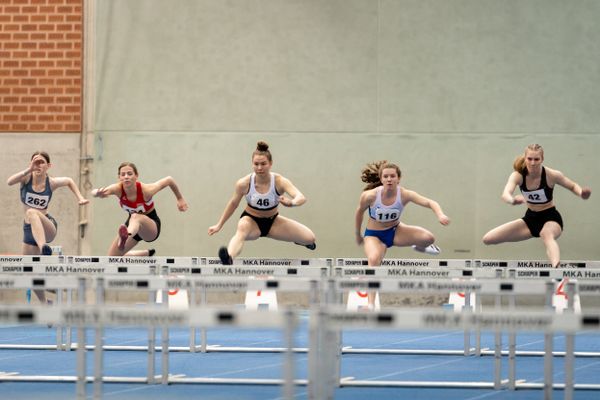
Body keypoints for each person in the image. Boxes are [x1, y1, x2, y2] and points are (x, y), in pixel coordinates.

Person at [355, 161, 450, 305]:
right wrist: (357, 234)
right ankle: (371, 304)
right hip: (374, 235)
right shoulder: (370, 196)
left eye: (392, 176)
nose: (389, 179)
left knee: (429, 238)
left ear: (398, 178)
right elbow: (359, 213)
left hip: (395, 231)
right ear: (381, 179)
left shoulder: (405, 194)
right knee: (374, 260)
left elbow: (430, 202)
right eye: (386, 176)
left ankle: (418, 247)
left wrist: (440, 215)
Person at [483, 144, 591, 267]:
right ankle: (556, 267)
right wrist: (512, 201)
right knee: (488, 239)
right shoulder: (518, 175)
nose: (533, 163)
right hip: (530, 220)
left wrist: (581, 193)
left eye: (536, 159)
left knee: (546, 234)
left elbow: (572, 186)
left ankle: (557, 269)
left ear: (542, 159)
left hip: (551, 217)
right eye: (529, 159)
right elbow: (506, 194)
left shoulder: (552, 175)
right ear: (525, 158)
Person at [208, 141, 316, 265]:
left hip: (273, 222)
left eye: (263, 164)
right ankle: (229, 257)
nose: (259, 168)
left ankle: (299, 240)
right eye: (256, 164)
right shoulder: (244, 183)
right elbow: (233, 204)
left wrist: (291, 203)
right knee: (241, 230)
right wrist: (219, 224)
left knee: (310, 238)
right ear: (252, 164)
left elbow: (301, 197)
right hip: (251, 221)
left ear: (270, 164)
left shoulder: (280, 181)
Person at [7, 151, 89, 303]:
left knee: (32, 212)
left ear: (48, 166)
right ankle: (46, 303)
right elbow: (9, 182)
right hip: (29, 230)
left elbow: (69, 180)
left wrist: (80, 197)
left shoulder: (51, 183)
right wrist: (28, 169)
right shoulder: (25, 178)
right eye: (35, 162)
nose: (38, 165)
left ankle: (43, 248)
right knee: (29, 273)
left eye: (41, 162)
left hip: (47, 227)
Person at [91, 162, 188, 256]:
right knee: (112, 258)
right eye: (123, 174)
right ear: (119, 178)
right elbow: (95, 192)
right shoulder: (117, 189)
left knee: (135, 216)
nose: (126, 177)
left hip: (150, 227)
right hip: (132, 227)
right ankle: (142, 253)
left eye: (129, 174)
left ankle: (126, 236)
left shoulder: (146, 190)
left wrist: (180, 199)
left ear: (136, 176)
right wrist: (97, 193)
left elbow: (169, 180)